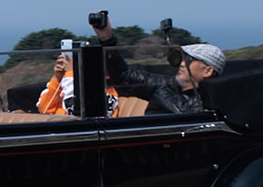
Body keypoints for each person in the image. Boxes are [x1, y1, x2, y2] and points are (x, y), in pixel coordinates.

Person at [89, 13, 224, 114]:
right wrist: (107, 40)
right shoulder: (165, 85)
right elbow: (123, 76)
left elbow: (190, 118)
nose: (182, 64)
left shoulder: (214, 104)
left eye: (189, 60)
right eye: (182, 58)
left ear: (208, 71)